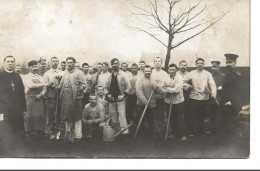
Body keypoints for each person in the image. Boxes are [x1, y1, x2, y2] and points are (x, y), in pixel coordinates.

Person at [0, 56, 27, 155]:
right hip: (4, 109)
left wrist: (24, 108)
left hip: (17, 109)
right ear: (4, 63)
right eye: (8, 61)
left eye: (12, 62)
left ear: (14, 63)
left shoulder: (17, 76)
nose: (10, 63)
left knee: (17, 129)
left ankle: (17, 149)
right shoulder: (1, 76)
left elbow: (21, 93)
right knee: (5, 129)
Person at [57, 57, 86, 142]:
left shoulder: (79, 72)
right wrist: (55, 86)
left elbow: (84, 84)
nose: (69, 64)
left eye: (71, 62)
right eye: (68, 62)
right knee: (66, 116)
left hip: (76, 97)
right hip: (65, 96)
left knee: (77, 116)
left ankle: (78, 136)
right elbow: (61, 84)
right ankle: (68, 133)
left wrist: (79, 89)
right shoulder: (64, 73)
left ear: (74, 63)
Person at [185, 58, 216, 136]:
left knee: (202, 115)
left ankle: (201, 132)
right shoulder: (191, 73)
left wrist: (213, 93)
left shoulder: (208, 74)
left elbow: (212, 84)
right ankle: (193, 132)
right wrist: (188, 86)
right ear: (195, 64)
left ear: (204, 64)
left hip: (204, 97)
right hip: (193, 97)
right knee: (193, 115)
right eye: (198, 63)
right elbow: (182, 81)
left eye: (201, 63)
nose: (200, 64)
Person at [221, 54, 250, 139]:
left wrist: (232, 102)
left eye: (230, 62)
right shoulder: (227, 74)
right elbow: (227, 88)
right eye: (227, 62)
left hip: (232, 104)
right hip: (224, 103)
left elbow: (241, 92)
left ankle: (240, 140)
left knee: (233, 125)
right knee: (226, 123)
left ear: (235, 63)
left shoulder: (239, 75)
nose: (228, 64)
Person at [105, 58, 131, 135]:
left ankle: (125, 133)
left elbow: (129, 87)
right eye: (113, 64)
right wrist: (107, 95)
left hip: (121, 99)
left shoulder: (124, 74)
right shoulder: (110, 76)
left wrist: (123, 95)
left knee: (122, 115)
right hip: (111, 99)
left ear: (119, 64)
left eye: (116, 63)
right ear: (111, 65)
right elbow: (106, 88)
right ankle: (116, 132)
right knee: (113, 116)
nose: (114, 65)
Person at [162, 63, 187, 141]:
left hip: (178, 101)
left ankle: (183, 134)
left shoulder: (179, 78)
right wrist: (168, 90)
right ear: (168, 70)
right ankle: (174, 133)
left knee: (179, 118)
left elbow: (177, 89)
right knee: (171, 118)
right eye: (170, 69)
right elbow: (162, 87)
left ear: (176, 70)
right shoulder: (165, 77)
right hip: (168, 101)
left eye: (173, 69)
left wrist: (168, 89)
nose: (171, 71)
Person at [23, 60, 47, 138]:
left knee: (39, 115)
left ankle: (38, 132)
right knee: (28, 115)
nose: (35, 68)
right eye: (33, 67)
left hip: (39, 99)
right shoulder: (26, 77)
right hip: (29, 98)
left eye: (36, 66)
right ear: (29, 68)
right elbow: (30, 85)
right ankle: (28, 132)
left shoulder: (40, 77)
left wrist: (40, 95)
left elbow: (45, 88)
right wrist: (42, 84)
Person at [43, 57, 62, 139]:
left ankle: (58, 131)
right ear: (50, 62)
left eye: (56, 61)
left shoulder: (61, 72)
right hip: (50, 96)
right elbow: (44, 85)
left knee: (58, 114)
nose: (54, 63)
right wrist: (50, 83)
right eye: (53, 61)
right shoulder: (47, 73)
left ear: (58, 62)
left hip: (59, 96)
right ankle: (49, 131)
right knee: (50, 114)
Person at [150, 57, 169, 139]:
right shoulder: (151, 72)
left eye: (159, 61)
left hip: (161, 98)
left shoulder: (165, 73)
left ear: (161, 63)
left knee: (160, 115)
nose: (157, 63)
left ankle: (160, 132)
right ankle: (153, 132)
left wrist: (161, 90)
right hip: (152, 98)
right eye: (156, 61)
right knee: (152, 115)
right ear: (154, 62)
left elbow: (166, 85)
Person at [135, 65, 156, 139]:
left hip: (151, 104)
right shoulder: (139, 80)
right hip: (141, 104)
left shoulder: (153, 79)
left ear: (151, 71)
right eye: (146, 71)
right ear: (143, 71)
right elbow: (139, 92)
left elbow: (156, 89)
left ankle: (151, 136)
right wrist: (145, 101)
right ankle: (139, 136)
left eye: (149, 71)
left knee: (151, 121)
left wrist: (156, 88)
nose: (147, 72)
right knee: (141, 120)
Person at [209, 60, 225, 134]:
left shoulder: (223, 76)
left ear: (219, 67)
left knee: (219, 115)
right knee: (211, 115)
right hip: (209, 99)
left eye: (215, 67)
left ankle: (220, 130)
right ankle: (212, 129)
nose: (213, 68)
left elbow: (227, 88)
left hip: (219, 99)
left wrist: (222, 87)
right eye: (212, 66)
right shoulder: (209, 76)